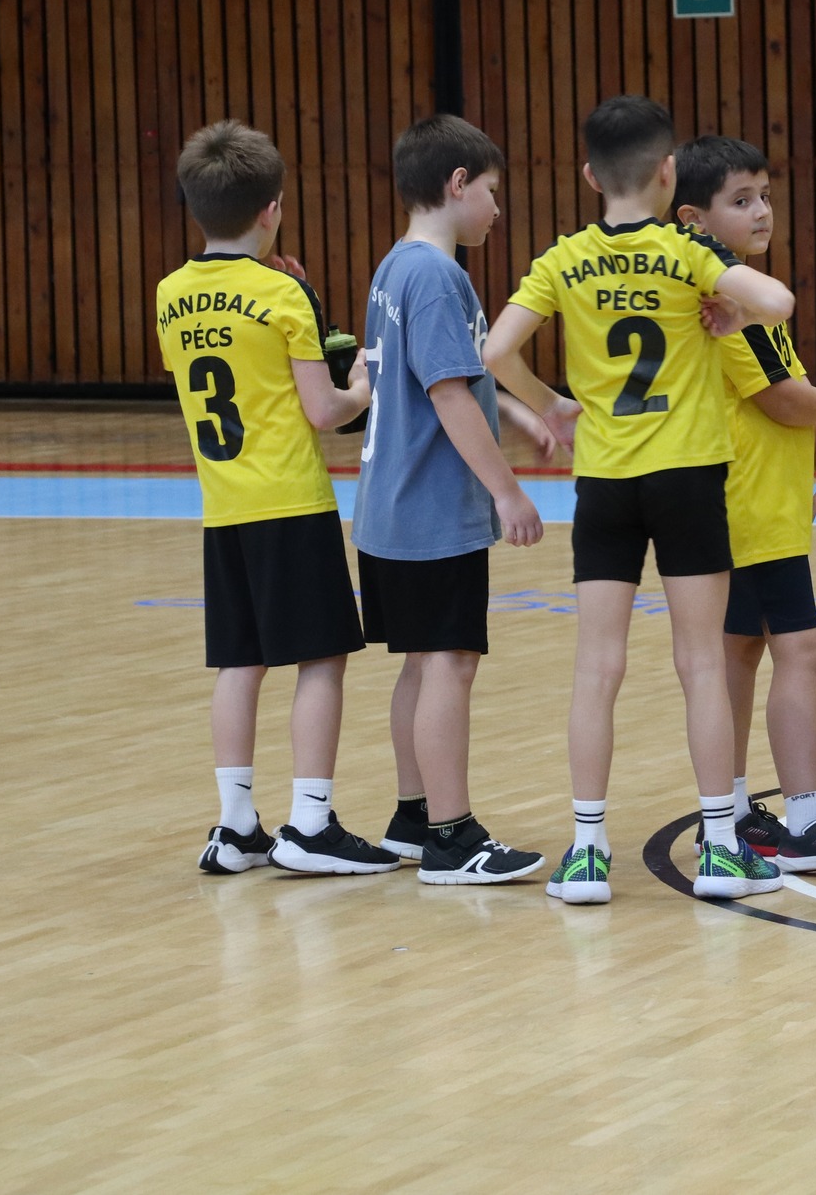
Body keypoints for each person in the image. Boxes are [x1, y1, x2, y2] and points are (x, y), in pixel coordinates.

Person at [482, 95, 795, 905]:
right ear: (667, 172)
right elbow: (778, 303)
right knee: (701, 663)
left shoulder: (563, 258)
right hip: (688, 477)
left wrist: (550, 403)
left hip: (607, 481)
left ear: (590, 176)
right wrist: (730, 312)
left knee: (597, 666)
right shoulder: (685, 251)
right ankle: (720, 846)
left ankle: (587, 850)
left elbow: (496, 350)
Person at [157, 119, 398, 878]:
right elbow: (324, 411)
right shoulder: (281, 293)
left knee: (240, 661)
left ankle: (236, 826)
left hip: (223, 506)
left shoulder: (170, 295)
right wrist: (363, 381)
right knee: (322, 658)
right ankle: (311, 824)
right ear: (272, 210)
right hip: (290, 501)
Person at [669, 135, 816, 875]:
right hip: (750, 510)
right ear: (693, 218)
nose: (762, 211)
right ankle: (805, 820)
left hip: (747, 506)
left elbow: (795, 401)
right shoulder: (727, 298)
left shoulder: (745, 295)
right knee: (801, 649)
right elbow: (789, 398)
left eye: (765, 195)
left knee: (741, 652)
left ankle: (738, 812)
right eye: (741, 200)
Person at [350, 113, 550, 886]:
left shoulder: (396, 267)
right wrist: (507, 491)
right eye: (493, 191)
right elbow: (446, 392)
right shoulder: (439, 276)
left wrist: (522, 413)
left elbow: (444, 375)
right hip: (433, 511)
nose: (497, 209)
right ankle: (451, 835)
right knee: (450, 664)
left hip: (387, 507)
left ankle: (414, 813)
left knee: (421, 662)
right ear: (458, 183)